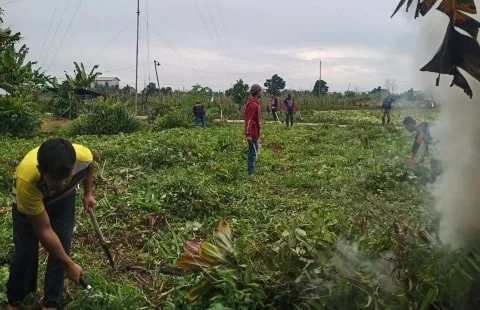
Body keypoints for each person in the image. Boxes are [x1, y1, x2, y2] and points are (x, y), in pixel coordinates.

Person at [6, 138, 97, 310]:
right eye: (55, 179)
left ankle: (51, 303)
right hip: (28, 200)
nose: (62, 184)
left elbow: (89, 167)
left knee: (61, 244)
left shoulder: (82, 156)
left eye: (66, 178)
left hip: (63, 200)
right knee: (25, 251)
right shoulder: (27, 180)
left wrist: (88, 193)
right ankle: (16, 299)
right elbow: (44, 230)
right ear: (41, 171)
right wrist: (70, 265)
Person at [403, 116, 442, 181]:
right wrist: (422, 158)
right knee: (435, 167)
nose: (406, 128)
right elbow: (427, 144)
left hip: (441, 148)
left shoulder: (420, 128)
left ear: (410, 124)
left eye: (406, 126)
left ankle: (439, 183)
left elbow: (416, 144)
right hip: (439, 149)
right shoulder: (422, 127)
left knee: (436, 167)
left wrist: (412, 159)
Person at [244, 84, 262, 175]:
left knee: (253, 151)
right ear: (257, 92)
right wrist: (249, 134)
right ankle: (250, 172)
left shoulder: (254, 104)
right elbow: (249, 120)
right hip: (252, 132)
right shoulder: (253, 105)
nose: (261, 92)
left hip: (255, 131)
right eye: (260, 91)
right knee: (252, 152)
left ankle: (251, 169)